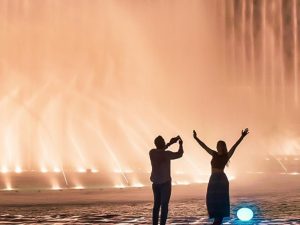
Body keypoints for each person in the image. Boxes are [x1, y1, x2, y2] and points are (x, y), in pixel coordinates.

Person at [193, 128, 249, 225]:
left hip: (221, 180)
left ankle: (218, 221)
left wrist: (242, 137)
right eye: (218, 145)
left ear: (223, 147)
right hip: (213, 179)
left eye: (220, 145)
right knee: (211, 200)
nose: (218, 147)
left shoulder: (226, 156)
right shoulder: (214, 154)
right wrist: (196, 138)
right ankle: (217, 221)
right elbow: (204, 146)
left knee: (220, 201)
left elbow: (235, 146)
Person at [149, 135, 184, 225]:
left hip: (155, 183)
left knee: (156, 205)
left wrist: (170, 143)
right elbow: (180, 154)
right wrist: (180, 145)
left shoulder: (152, 153)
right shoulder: (167, 154)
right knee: (164, 205)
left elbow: (161, 150)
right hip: (165, 183)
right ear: (162, 143)